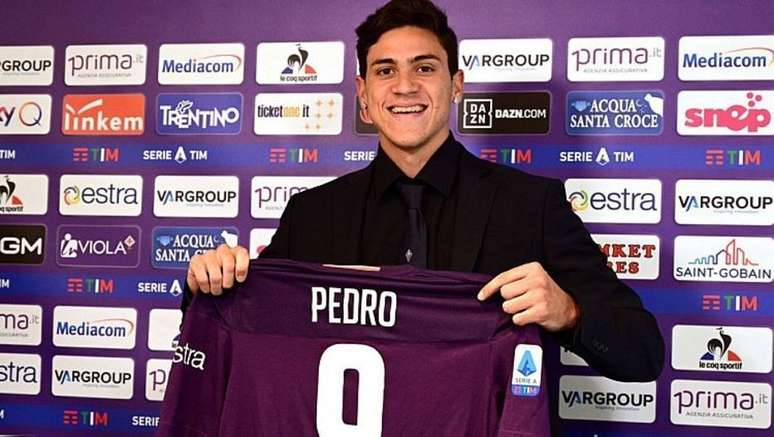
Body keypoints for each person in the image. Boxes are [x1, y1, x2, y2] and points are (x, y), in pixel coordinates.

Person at [184, 0, 664, 383]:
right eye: (385, 70)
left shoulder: (530, 205)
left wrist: (569, 313)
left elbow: (643, 353)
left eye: (425, 68)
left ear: (456, 85)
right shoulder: (312, 213)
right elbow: (238, 331)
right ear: (363, 96)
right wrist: (207, 285)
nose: (405, 86)